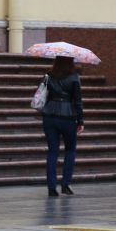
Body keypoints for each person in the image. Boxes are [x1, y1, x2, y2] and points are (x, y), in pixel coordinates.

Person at [41, 55, 84, 196]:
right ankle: (65, 184)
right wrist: (80, 121)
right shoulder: (74, 77)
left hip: (49, 115)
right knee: (70, 150)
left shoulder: (48, 75)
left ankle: (51, 187)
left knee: (52, 151)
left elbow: (42, 94)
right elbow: (78, 101)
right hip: (68, 116)